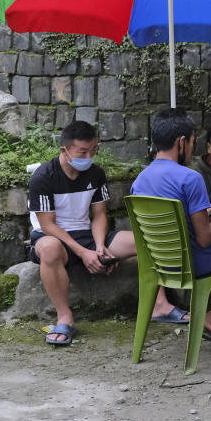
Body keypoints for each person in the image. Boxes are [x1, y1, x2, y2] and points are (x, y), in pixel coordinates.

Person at [130, 108, 211, 350]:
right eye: (192, 142)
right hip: (194, 263)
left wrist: (205, 212)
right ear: (181, 142)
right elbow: (205, 238)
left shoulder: (140, 180)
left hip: (160, 263)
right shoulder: (190, 178)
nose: (192, 149)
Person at [28, 121, 139, 346]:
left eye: (93, 151)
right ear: (65, 151)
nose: (89, 157)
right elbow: (47, 225)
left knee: (142, 241)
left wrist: (99, 248)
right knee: (49, 249)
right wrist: (84, 253)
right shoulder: (42, 177)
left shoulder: (96, 174)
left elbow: (99, 214)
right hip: (53, 237)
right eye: (83, 152)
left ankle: (158, 306)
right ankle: (64, 317)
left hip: (87, 234)